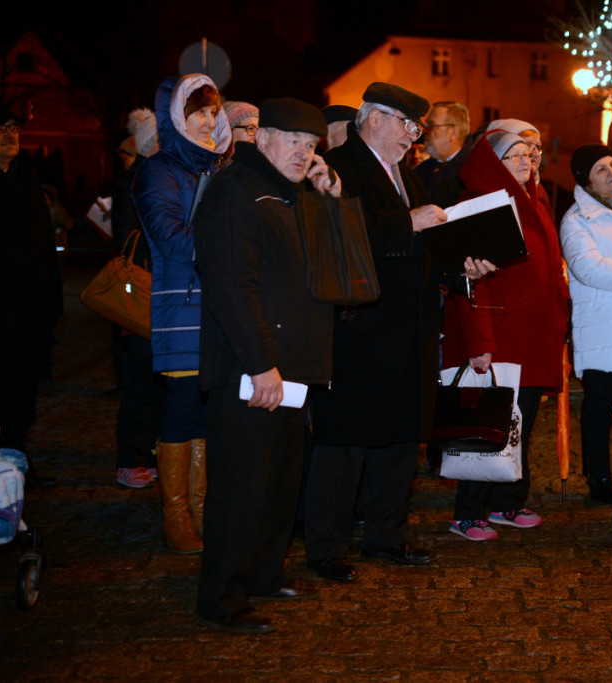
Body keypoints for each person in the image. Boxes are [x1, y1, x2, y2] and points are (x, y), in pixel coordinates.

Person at [193, 97, 340, 635]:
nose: (304, 153)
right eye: (293, 141)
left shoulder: (296, 195)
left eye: (312, 145)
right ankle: (222, 598)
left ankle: (262, 574)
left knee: (279, 482)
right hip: (250, 371)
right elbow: (233, 287)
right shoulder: (236, 191)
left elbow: (335, 267)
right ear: (262, 138)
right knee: (241, 486)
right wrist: (261, 366)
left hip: (293, 368)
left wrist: (332, 198)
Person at [305, 82, 447, 577]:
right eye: (407, 124)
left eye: (418, 127)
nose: (414, 136)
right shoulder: (339, 167)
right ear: (374, 119)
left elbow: (429, 240)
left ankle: (387, 536)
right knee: (344, 441)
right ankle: (326, 546)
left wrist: (460, 264)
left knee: (401, 438)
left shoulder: (409, 175)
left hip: (410, 326)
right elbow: (340, 233)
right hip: (359, 329)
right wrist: (408, 223)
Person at [441, 129, 570, 540]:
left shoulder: (535, 201)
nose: (526, 160)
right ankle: (468, 512)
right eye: (514, 155)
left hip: (533, 334)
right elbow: (469, 283)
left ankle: (506, 502)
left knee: (520, 425)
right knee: (488, 426)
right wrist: (480, 344)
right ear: (493, 161)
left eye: (530, 153)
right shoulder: (478, 206)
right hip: (499, 335)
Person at [134, 74, 230, 553]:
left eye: (214, 112)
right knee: (181, 411)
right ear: (177, 117)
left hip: (217, 313)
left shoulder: (217, 168)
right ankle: (176, 516)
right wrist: (234, 243)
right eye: (199, 113)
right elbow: (171, 239)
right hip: (180, 309)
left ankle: (203, 510)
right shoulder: (159, 169)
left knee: (208, 417)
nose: (209, 122)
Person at [559, 144, 612, 506]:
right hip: (602, 325)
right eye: (601, 169)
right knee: (600, 405)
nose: (611, 172)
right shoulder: (576, 220)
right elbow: (586, 266)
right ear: (586, 180)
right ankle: (598, 476)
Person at [0, 102, 62, 488]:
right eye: (2, 129)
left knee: (23, 391)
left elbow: (43, 244)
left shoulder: (27, 179)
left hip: (27, 309)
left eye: (14, 129)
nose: (10, 135)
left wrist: (50, 300)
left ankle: (15, 460)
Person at [112, 107, 162, 489]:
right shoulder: (137, 180)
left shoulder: (149, 176)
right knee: (140, 382)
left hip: (149, 291)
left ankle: (146, 452)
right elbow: (129, 239)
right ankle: (130, 459)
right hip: (139, 292)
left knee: (151, 379)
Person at [416, 100, 473, 207]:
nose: (425, 131)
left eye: (431, 125)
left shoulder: (475, 171)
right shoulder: (420, 172)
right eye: (426, 125)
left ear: (452, 132)